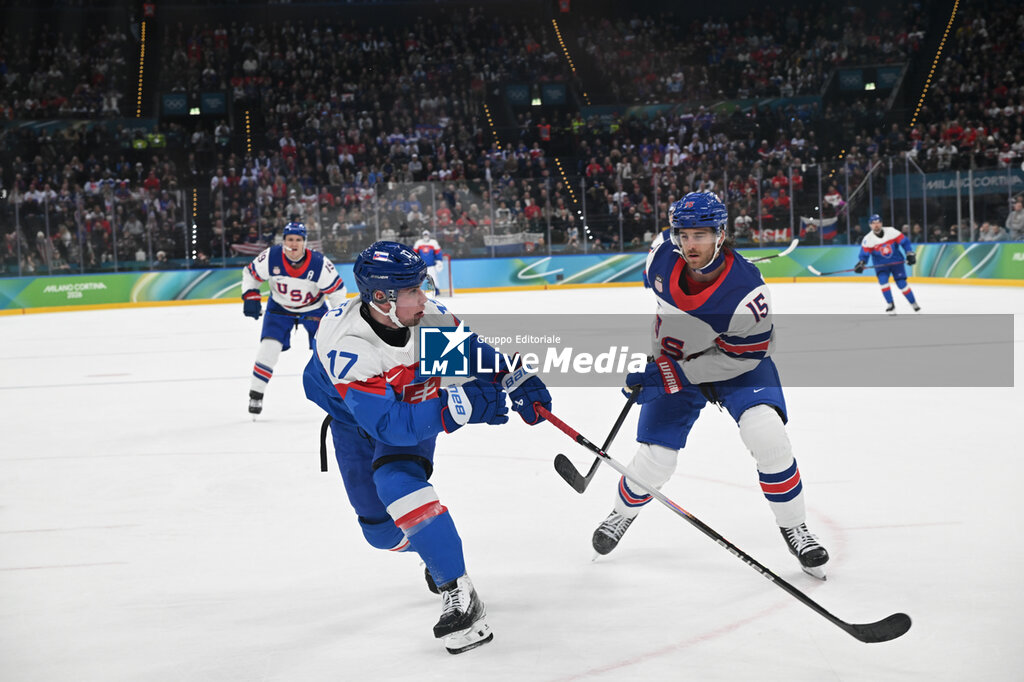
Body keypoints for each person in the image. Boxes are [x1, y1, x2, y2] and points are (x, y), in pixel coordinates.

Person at [302, 241, 552, 654]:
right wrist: (460, 408)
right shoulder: (349, 343)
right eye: (413, 291)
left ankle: (458, 589)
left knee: (396, 480)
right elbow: (384, 424)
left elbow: (469, 354)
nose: (424, 297)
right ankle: (432, 550)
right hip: (354, 419)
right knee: (379, 533)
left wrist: (512, 376)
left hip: (407, 404)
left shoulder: (427, 318)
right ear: (381, 299)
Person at [591, 192, 830, 580]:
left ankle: (795, 526)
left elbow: (744, 356)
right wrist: (659, 367)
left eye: (700, 235)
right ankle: (621, 515)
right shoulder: (659, 259)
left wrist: (674, 375)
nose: (690, 245)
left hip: (736, 364)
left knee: (766, 433)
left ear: (721, 234)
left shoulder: (748, 293)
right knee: (655, 460)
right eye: (683, 235)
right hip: (675, 360)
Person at [241, 221, 347, 416]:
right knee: (268, 350)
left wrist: (339, 317)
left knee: (328, 353)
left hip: (313, 310)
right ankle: (256, 394)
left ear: (305, 242)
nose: (294, 243)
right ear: (283, 241)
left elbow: (337, 292)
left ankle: (340, 396)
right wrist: (250, 294)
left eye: (298, 239)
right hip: (280, 308)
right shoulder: (271, 257)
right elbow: (250, 274)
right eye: (290, 239)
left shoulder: (319, 263)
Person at [854, 214, 920, 315]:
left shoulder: (891, 231)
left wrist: (909, 253)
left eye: (878, 222)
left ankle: (913, 303)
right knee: (883, 282)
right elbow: (864, 255)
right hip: (881, 266)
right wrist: (861, 263)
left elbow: (905, 242)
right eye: (873, 223)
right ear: (870, 225)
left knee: (902, 284)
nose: (876, 225)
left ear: (881, 223)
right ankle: (890, 305)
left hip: (896, 263)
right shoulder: (868, 239)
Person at [413, 229, 445, 296]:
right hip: (422, 266)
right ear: (422, 235)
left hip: (431, 266)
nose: (426, 236)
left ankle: (436, 290)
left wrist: (439, 261)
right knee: (419, 279)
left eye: (427, 235)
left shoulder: (433, 242)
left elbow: (438, 253)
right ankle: (418, 292)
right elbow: (414, 254)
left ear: (429, 235)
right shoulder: (418, 243)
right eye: (424, 235)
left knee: (434, 278)